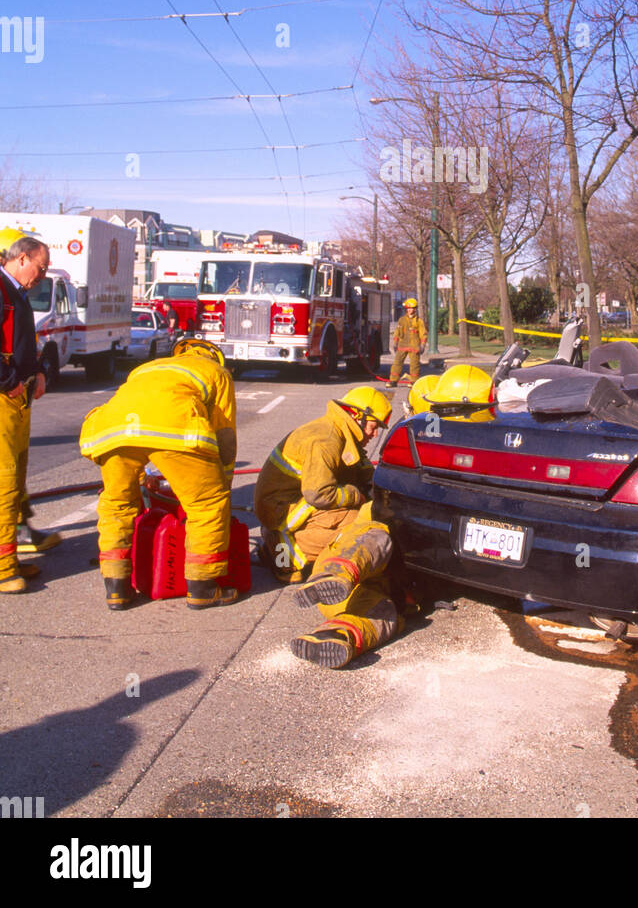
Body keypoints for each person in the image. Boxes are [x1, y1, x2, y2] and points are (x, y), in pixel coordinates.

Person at [79, 338, 239, 611]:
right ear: (215, 357)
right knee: (207, 504)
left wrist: (144, 477)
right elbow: (224, 434)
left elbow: (142, 419)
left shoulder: (148, 368)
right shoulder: (217, 373)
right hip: (175, 430)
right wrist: (221, 480)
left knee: (117, 504)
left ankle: (117, 588)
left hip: (111, 430)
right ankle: (203, 588)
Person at [255, 385, 400, 668]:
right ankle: (284, 551)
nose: (373, 434)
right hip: (284, 510)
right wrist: (358, 496)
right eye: (373, 426)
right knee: (357, 523)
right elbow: (319, 494)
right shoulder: (325, 438)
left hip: (290, 505)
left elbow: (358, 469)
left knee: (360, 520)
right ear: (357, 415)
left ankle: (286, 554)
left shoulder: (341, 432)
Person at [0, 235, 51, 594]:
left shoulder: (16, 294)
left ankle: (12, 555)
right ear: (22, 259)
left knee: (15, 481)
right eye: (41, 267)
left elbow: (21, 343)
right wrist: (7, 381)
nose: (43, 275)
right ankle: (2, 569)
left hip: (19, 400)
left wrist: (39, 370)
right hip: (5, 399)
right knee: (3, 484)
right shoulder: (3, 292)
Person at [389, 297, 428, 386]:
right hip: (402, 345)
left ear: (415, 309)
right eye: (408, 308)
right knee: (397, 363)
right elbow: (397, 332)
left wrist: (422, 345)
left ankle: (414, 381)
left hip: (414, 346)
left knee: (414, 365)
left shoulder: (419, 321)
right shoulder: (402, 320)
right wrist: (395, 343)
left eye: (412, 308)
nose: (410, 310)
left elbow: (423, 334)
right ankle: (393, 381)